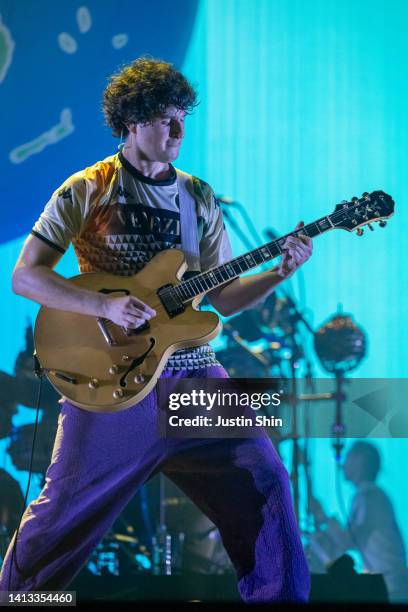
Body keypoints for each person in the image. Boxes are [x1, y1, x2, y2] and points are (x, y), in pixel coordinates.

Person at [0, 57, 312, 602]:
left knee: (267, 482)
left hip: (195, 374)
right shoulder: (88, 186)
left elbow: (223, 299)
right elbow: (26, 277)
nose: (178, 131)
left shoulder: (199, 196)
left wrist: (278, 274)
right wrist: (105, 309)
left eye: (182, 118)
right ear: (131, 121)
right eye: (166, 119)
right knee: (58, 522)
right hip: (115, 384)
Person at [309, 441, 408, 603]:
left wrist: (323, 517)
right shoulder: (370, 496)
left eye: (348, 457)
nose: (343, 463)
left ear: (360, 461)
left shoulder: (369, 496)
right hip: (389, 584)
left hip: (391, 587)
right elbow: (350, 541)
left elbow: (347, 541)